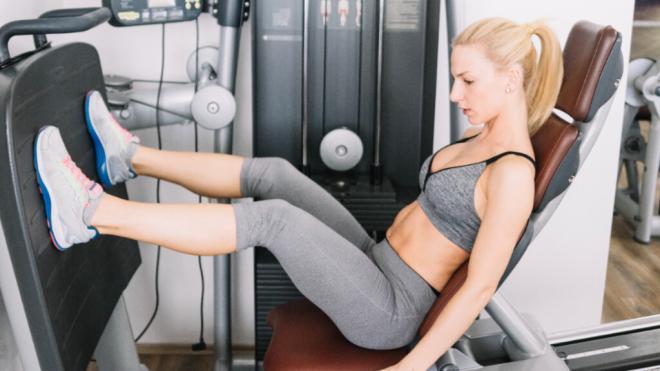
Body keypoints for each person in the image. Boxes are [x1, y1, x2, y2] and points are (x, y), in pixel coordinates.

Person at [33, 17, 562, 371]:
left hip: (390, 310)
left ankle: (91, 212)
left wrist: (410, 367)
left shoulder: (511, 173)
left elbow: (477, 289)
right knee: (277, 176)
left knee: (276, 219)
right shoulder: (481, 134)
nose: (455, 94)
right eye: (454, 79)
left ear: (511, 80)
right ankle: (128, 158)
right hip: (377, 258)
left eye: (467, 81)